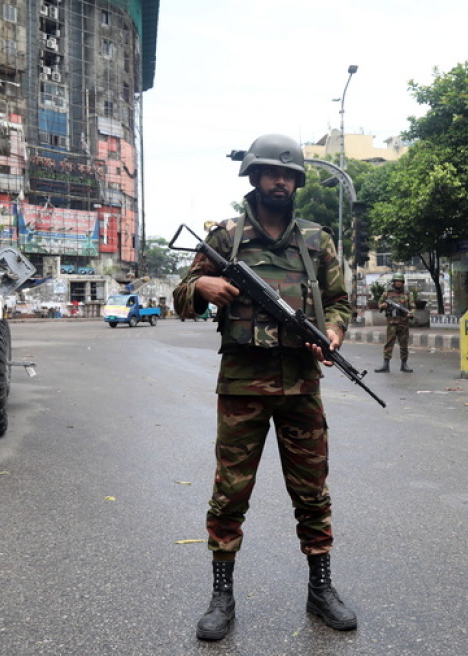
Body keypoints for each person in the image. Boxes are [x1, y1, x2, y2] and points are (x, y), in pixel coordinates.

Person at [172, 134, 358, 641]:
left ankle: (321, 588)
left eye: (290, 174)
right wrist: (202, 287)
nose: (281, 181)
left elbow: (341, 302)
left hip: (301, 385)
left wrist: (335, 332)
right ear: (253, 177)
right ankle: (221, 595)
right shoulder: (225, 237)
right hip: (240, 387)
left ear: (297, 181)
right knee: (230, 493)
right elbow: (180, 297)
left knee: (312, 491)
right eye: (272, 173)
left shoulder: (317, 241)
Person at [374, 272, 412, 372]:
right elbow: (379, 304)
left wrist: (410, 313)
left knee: (404, 344)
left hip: (403, 323)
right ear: (393, 282)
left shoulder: (407, 294)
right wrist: (384, 306)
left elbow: (413, 307)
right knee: (389, 344)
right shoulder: (387, 293)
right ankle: (385, 365)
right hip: (391, 323)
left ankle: (404, 365)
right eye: (396, 281)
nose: (398, 283)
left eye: (400, 281)